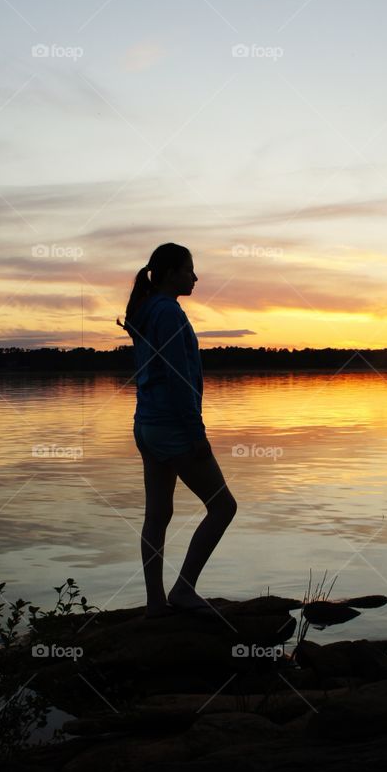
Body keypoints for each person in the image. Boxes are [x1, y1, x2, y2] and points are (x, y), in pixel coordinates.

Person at [117, 243, 237, 619]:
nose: (195, 277)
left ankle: (156, 603)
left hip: (147, 425)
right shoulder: (167, 311)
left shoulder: (148, 308)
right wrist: (196, 432)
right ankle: (183, 589)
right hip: (172, 426)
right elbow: (177, 375)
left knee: (157, 515)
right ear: (170, 273)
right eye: (189, 270)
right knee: (223, 506)